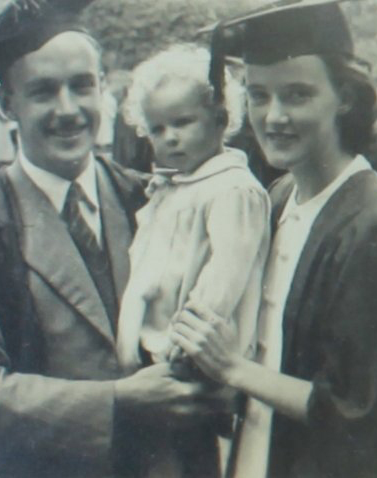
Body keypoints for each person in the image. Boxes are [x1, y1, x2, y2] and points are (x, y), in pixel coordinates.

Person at [0, 0, 225, 478]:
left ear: (104, 89)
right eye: (44, 91)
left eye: (82, 85)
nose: (68, 110)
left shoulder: (153, 199)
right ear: (6, 106)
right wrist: (116, 401)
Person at [171, 0, 377, 478]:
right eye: (258, 95)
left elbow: (368, 412)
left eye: (297, 94)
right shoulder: (277, 200)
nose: (274, 116)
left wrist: (233, 369)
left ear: (344, 96)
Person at [115, 44, 270, 475]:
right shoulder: (178, 186)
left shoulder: (231, 189)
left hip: (193, 356)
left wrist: (187, 344)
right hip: (155, 351)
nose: (170, 138)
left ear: (220, 121)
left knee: (190, 458)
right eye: (158, 128)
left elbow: (225, 275)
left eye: (182, 123)